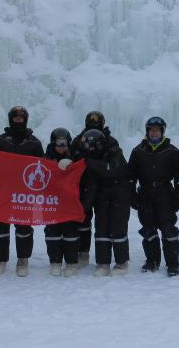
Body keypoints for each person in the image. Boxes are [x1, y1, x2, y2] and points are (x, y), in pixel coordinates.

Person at [0, 106, 44, 276]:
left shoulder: (34, 142)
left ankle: (23, 260)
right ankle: (0, 260)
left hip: (24, 193)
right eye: (15, 118)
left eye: (21, 118)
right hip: (2, 190)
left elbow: (42, 165)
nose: (18, 121)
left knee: (24, 228)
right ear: (10, 119)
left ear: (25, 119)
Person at [128, 117, 179, 276]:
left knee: (168, 230)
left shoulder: (171, 151)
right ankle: (152, 260)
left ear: (162, 132)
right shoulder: (138, 151)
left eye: (157, 130)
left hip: (165, 193)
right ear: (147, 132)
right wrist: (132, 194)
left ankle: (173, 263)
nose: (154, 133)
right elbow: (130, 175)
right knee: (148, 230)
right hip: (145, 194)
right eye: (151, 130)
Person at [80, 129, 132, 277]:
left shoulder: (115, 152)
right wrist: (85, 206)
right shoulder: (91, 158)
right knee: (101, 228)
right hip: (102, 196)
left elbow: (110, 170)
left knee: (118, 229)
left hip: (119, 195)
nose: (89, 150)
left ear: (98, 145)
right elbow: (91, 185)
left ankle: (121, 263)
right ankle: (103, 263)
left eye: (91, 147)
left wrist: (89, 162)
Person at [70, 111, 120, 265]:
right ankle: (82, 252)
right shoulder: (78, 140)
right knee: (82, 220)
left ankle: (102, 257)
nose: (93, 123)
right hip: (83, 185)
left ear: (102, 122)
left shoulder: (110, 141)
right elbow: (72, 156)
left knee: (102, 222)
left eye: (97, 120)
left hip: (104, 187)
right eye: (91, 120)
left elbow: (115, 164)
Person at [43, 127, 81, 277]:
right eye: (58, 143)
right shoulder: (46, 158)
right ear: (53, 143)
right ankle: (55, 262)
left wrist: (72, 163)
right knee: (52, 232)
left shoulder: (76, 157)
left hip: (69, 201)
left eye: (64, 143)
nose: (61, 147)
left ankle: (71, 263)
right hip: (52, 201)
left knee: (70, 232)